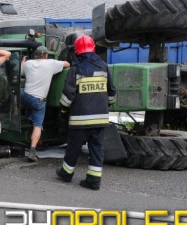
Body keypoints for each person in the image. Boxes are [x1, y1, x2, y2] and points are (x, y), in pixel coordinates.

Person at [56, 35, 117, 190]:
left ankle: (66, 174)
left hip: (79, 120)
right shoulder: (103, 67)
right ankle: (93, 181)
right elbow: (112, 94)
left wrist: (63, 112)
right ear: (93, 49)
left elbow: (67, 97)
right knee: (97, 150)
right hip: (100, 120)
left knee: (73, 148)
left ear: (76, 51)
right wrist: (104, 106)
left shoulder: (75, 70)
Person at [21, 46, 70, 161]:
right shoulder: (51, 63)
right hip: (39, 101)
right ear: (46, 55)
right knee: (37, 125)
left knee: (15, 91)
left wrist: (23, 61)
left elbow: (20, 72)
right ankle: (32, 150)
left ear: (35, 55)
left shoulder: (28, 64)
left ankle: (23, 115)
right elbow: (67, 64)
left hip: (26, 96)